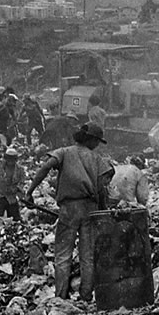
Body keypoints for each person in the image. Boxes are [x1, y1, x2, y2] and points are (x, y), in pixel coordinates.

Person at [25, 122, 114, 301]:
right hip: (90, 210)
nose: (97, 145)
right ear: (90, 139)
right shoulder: (97, 160)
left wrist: (30, 191)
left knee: (63, 254)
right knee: (87, 256)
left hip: (69, 209)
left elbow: (45, 167)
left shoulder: (64, 152)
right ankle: (86, 296)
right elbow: (102, 188)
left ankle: (61, 296)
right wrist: (104, 212)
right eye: (96, 141)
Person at [0, 147, 25, 220]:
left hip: (12, 197)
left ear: (15, 159)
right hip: (0, 196)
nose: (10, 161)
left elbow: (22, 182)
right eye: (8, 158)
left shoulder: (20, 170)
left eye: (12, 159)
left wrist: (18, 190)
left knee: (15, 219)